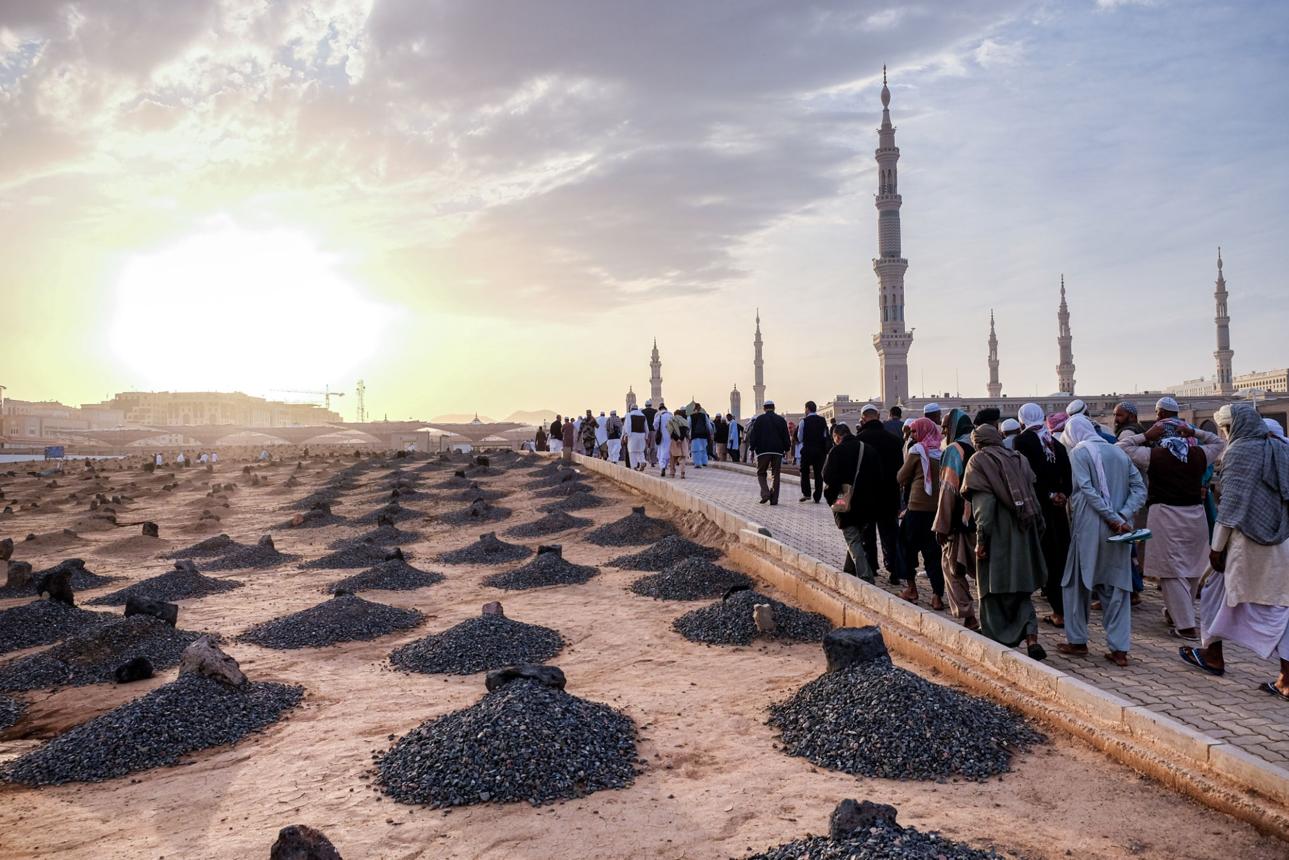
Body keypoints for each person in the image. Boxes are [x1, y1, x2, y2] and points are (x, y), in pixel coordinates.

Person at [1181, 404, 1289, 698]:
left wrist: (1216, 549)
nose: (1226, 435)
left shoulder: (1241, 451)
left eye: (1227, 429)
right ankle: (1213, 653)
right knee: (1268, 604)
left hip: (1247, 544)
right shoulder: (1279, 447)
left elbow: (1230, 507)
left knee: (1268, 608)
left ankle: (1281, 676)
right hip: (1281, 541)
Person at [1119, 414, 1225, 640]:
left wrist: (1146, 435)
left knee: (1171, 571)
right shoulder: (1198, 454)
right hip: (1195, 515)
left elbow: (1121, 446)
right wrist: (1194, 432)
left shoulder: (1154, 455)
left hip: (1165, 514)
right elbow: (1219, 442)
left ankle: (1185, 625)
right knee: (1192, 566)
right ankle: (1176, 612)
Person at [1058, 414, 1147, 666]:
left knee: (1076, 583)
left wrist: (1111, 517)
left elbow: (1086, 489)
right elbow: (1139, 489)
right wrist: (1122, 515)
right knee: (1116, 586)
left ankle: (1077, 642)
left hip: (1089, 527)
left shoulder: (1079, 452)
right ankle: (1119, 650)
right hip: (1119, 529)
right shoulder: (1118, 453)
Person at [962, 424, 1048, 659]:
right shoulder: (1018, 458)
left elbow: (984, 508)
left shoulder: (978, 462)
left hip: (998, 535)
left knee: (991, 590)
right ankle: (1032, 640)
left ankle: (995, 644)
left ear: (978, 442)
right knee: (1022, 591)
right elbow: (1033, 497)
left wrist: (981, 540)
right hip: (1024, 532)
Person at [1014, 402, 1073, 629]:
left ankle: (1048, 612)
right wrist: (1062, 495)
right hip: (1058, 510)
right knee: (1058, 559)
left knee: (1041, 559)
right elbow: (1067, 477)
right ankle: (1062, 610)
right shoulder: (1055, 444)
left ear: (1023, 420)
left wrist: (1048, 495)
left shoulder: (1022, 441)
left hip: (1037, 510)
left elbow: (1027, 476)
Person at [822, 422, 887, 583]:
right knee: (856, 535)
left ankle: (866, 576)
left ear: (837, 436)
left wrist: (832, 498)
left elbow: (827, 477)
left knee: (852, 538)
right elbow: (879, 477)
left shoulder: (836, 451)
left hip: (846, 502)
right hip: (868, 503)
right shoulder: (868, 449)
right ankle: (848, 571)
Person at [933, 408, 979, 629]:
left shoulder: (955, 450)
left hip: (962, 522)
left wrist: (942, 525)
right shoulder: (983, 445)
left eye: (945, 427)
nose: (943, 432)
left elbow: (948, 489)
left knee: (952, 568)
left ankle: (969, 617)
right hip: (985, 520)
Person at [896, 417, 945, 609]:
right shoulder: (941, 453)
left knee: (906, 548)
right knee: (933, 553)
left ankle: (911, 588)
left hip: (916, 509)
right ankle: (937, 596)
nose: (913, 435)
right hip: (935, 511)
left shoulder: (917, 451)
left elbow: (901, 476)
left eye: (915, 431)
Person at [857, 404, 905, 582]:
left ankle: (871, 567)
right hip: (889, 494)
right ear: (878, 415)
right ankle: (894, 570)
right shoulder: (893, 440)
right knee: (890, 534)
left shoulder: (860, 440)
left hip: (867, 496)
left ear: (863, 418)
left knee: (867, 534)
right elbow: (900, 469)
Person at [747, 400, 790, 504]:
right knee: (776, 474)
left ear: (764, 408)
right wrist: (786, 448)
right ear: (774, 408)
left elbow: (754, 436)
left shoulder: (759, 419)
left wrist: (752, 449)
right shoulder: (781, 420)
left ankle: (765, 493)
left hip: (763, 451)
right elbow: (785, 436)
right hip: (777, 451)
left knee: (761, 472)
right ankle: (774, 499)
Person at [798, 401, 830, 503]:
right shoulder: (822, 420)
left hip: (807, 450)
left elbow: (800, 437)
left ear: (807, 409)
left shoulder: (804, 421)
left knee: (804, 472)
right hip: (820, 451)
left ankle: (807, 493)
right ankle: (817, 496)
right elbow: (825, 435)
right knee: (818, 473)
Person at [665, 408, 690, 479]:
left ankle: (672, 473)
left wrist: (677, 439)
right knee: (682, 458)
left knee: (673, 458)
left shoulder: (671, 421)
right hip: (683, 441)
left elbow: (671, 432)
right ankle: (682, 473)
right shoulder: (684, 421)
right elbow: (685, 432)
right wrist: (681, 439)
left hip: (674, 441)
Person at [624, 405, 649, 471]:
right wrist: (646, 437)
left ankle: (634, 466)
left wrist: (626, 435)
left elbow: (628, 426)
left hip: (632, 435)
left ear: (631, 409)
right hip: (642, 435)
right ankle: (642, 461)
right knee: (640, 451)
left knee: (632, 451)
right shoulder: (643, 415)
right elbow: (646, 427)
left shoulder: (629, 415)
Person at [689, 403, 711, 468]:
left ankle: (698, 463)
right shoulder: (704, 416)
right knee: (703, 449)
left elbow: (689, 427)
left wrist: (689, 436)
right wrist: (710, 434)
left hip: (695, 436)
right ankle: (704, 462)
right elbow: (708, 426)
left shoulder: (691, 417)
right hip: (704, 435)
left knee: (696, 450)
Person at [654, 401, 673, 477]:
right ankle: (665, 465)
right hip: (670, 436)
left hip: (661, 436)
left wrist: (658, 429)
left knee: (661, 452)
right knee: (668, 452)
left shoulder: (659, 415)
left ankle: (662, 467)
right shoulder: (671, 415)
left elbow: (655, 425)